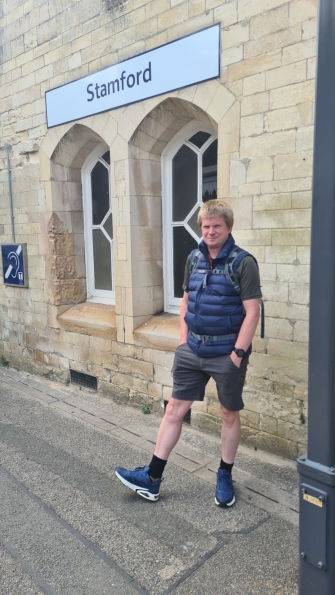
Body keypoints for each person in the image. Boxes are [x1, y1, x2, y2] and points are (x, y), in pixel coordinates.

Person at [115, 199, 262, 507]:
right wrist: (183, 341)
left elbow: (252, 313)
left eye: (216, 226)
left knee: (228, 414)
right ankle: (152, 478)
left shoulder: (243, 262)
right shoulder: (194, 258)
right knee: (174, 411)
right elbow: (185, 301)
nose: (210, 231)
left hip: (226, 353)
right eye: (206, 226)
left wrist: (237, 353)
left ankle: (224, 474)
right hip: (191, 350)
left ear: (228, 228)